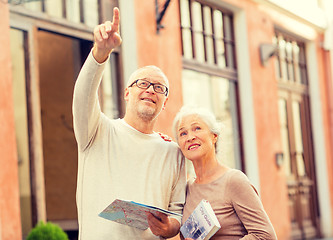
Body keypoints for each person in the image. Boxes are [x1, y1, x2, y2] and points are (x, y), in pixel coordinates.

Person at [72, 7, 186, 240]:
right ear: (127, 93)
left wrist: (170, 227)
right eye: (142, 84)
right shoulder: (97, 131)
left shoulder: (174, 152)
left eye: (159, 88)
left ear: (164, 103)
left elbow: (178, 211)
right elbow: (83, 96)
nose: (150, 90)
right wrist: (99, 54)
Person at [172, 106, 277, 240]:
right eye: (183, 133)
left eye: (197, 128)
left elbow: (266, 236)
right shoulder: (187, 189)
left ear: (214, 136)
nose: (190, 137)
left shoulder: (234, 180)